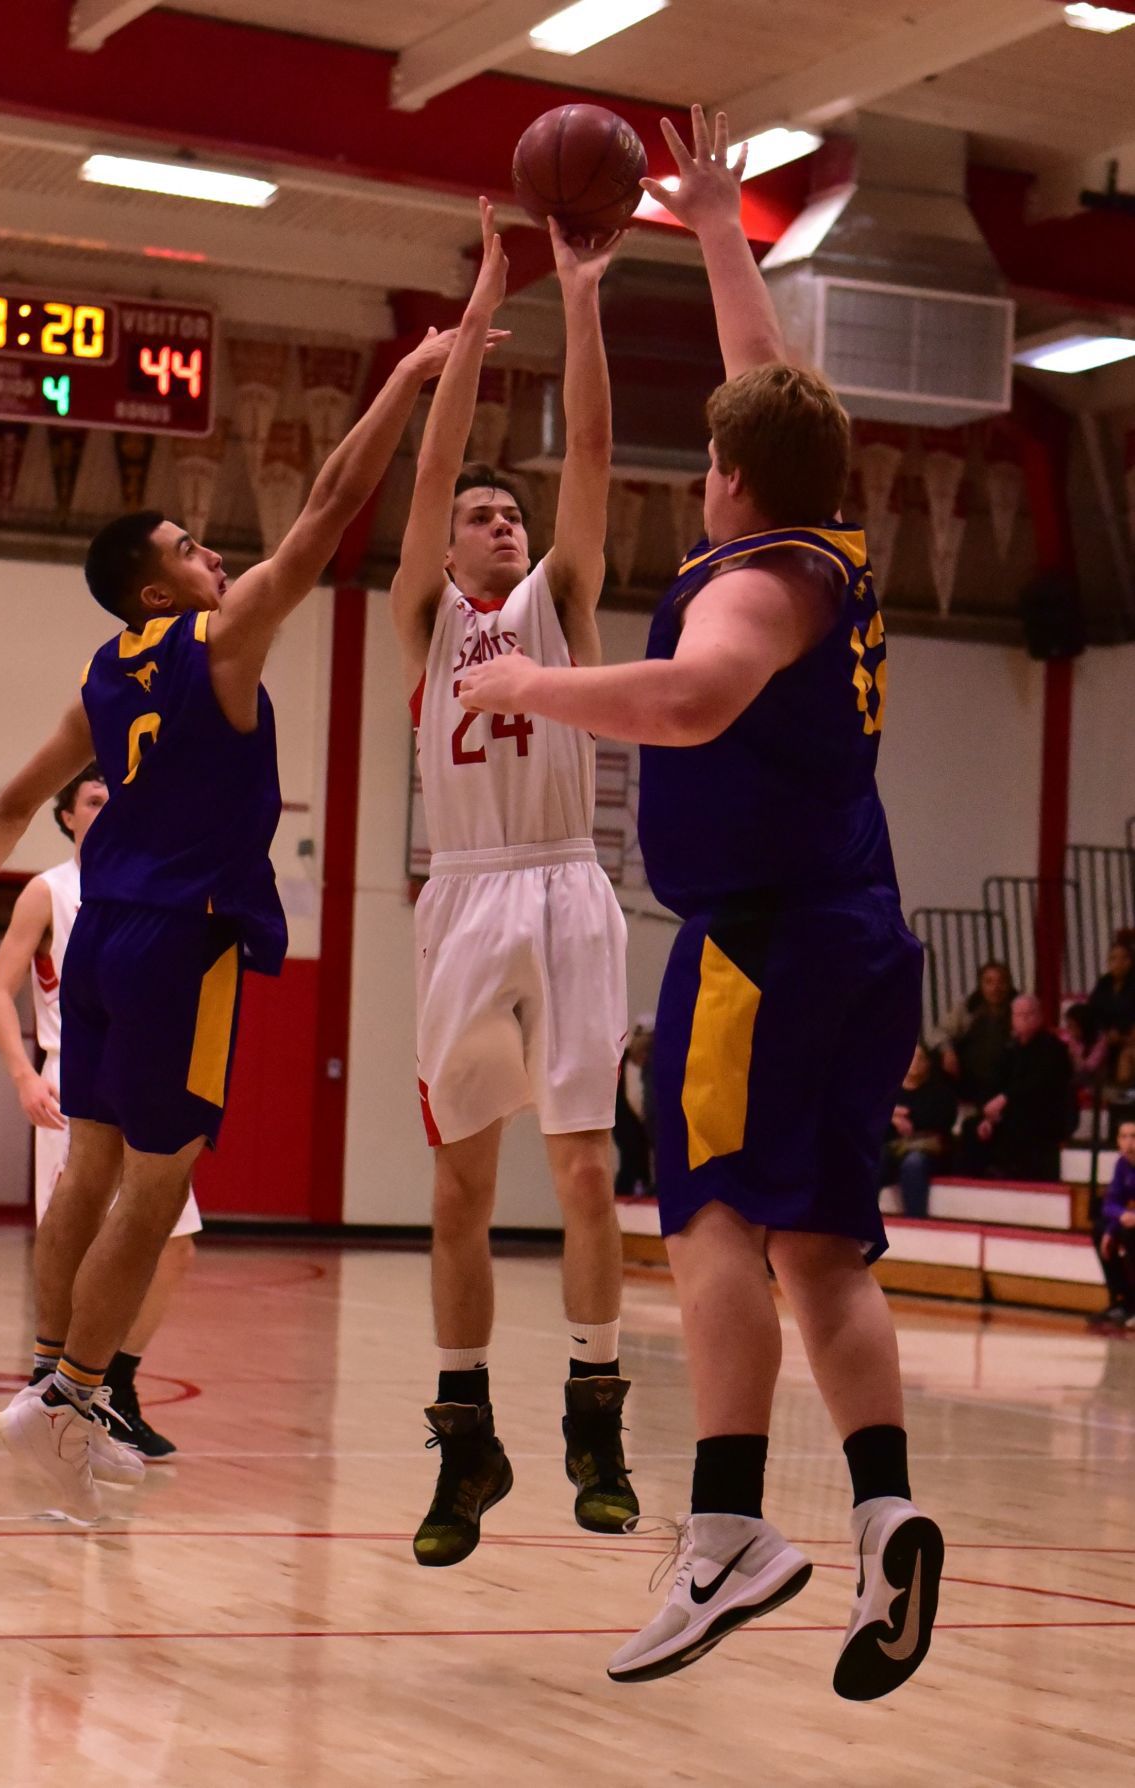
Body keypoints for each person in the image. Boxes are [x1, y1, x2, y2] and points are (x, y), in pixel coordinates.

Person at [460, 106, 941, 1700]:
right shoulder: (835, 536)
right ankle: (880, 1516)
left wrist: (533, 675)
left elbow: (686, 702)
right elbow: (760, 371)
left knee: (713, 1222)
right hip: (857, 930)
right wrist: (719, 222)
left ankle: (727, 1528)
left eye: (713, 454)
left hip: (758, 946)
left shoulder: (750, 584)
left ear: (729, 474)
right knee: (825, 1252)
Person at [0, 322, 479, 1524]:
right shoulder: (221, 640)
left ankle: (52, 1379)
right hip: (181, 938)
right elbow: (330, 502)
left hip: (99, 943)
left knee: (89, 1169)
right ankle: (76, 1400)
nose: (213, 556)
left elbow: (1, 809)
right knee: (159, 1181)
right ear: (164, 588)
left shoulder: (103, 675)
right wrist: (405, 378)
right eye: (191, 547)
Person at [391, 199, 636, 1568]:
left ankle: (593, 1416)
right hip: (463, 897)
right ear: (444, 548)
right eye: (477, 514)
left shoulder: (559, 598)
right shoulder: (422, 621)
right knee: (457, 1191)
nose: (493, 522)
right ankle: (463, 1437)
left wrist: (579, 292)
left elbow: (591, 452)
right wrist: (483, 309)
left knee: (588, 1172)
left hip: (563, 887)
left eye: (506, 512)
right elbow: (424, 474)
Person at [0, 765, 199, 1458]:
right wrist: (23, 1073)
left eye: (116, 800)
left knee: (172, 1244)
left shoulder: (152, 885)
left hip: (143, 1074)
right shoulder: (49, 890)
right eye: (93, 801)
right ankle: (54, 1386)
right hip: (70, 1076)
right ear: (67, 815)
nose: (107, 810)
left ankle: (114, 1385)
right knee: (74, 1238)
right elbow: (0, 988)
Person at [957, 994, 1075, 1182]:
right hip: (1008, 1112)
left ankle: (1008, 1175)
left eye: (1030, 1014)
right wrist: (988, 1117)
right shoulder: (1009, 1048)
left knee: (1021, 1122)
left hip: (1044, 1113)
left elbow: (1040, 1085)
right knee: (972, 1126)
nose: (1024, 1019)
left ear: (1040, 1016)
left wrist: (1005, 1099)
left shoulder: (1054, 1048)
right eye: (1019, 1014)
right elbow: (993, 1082)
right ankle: (973, 1184)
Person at [880, 1044, 957, 1219]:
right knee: (870, 1160)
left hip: (928, 1151)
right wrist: (892, 1118)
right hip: (893, 1149)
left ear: (928, 1063)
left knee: (913, 1163)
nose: (914, 1062)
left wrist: (907, 1120)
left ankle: (916, 1222)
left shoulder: (940, 1091)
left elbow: (943, 1124)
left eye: (920, 1058)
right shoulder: (889, 1091)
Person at [941, 960, 1015, 1105]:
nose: (996, 988)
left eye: (1001, 982)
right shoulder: (968, 1008)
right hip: (970, 1078)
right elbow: (940, 1032)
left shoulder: (1019, 1006)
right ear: (981, 985)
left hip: (1010, 1080)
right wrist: (947, 1050)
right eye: (989, 982)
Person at [1094, 1118, 1135, 1327]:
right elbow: (1110, 1204)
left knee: (1130, 1235)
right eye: (1124, 1136)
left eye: (1134, 1136)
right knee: (1100, 1230)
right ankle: (1121, 1299)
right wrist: (1112, 1228)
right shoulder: (1121, 1165)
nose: (1129, 1142)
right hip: (1130, 1220)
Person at [1086, 940, 1135, 1088]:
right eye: (1113, 958)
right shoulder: (1104, 983)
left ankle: (1123, 1102)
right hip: (1106, 1037)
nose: (1118, 963)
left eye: (1124, 958)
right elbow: (1092, 1011)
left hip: (1129, 1037)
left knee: (1126, 1056)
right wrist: (1105, 1032)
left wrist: (1123, 1032)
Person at [614, 1019, 655, 1198]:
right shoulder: (621, 1063)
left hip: (650, 1120)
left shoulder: (655, 1064)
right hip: (626, 1121)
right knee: (631, 1156)